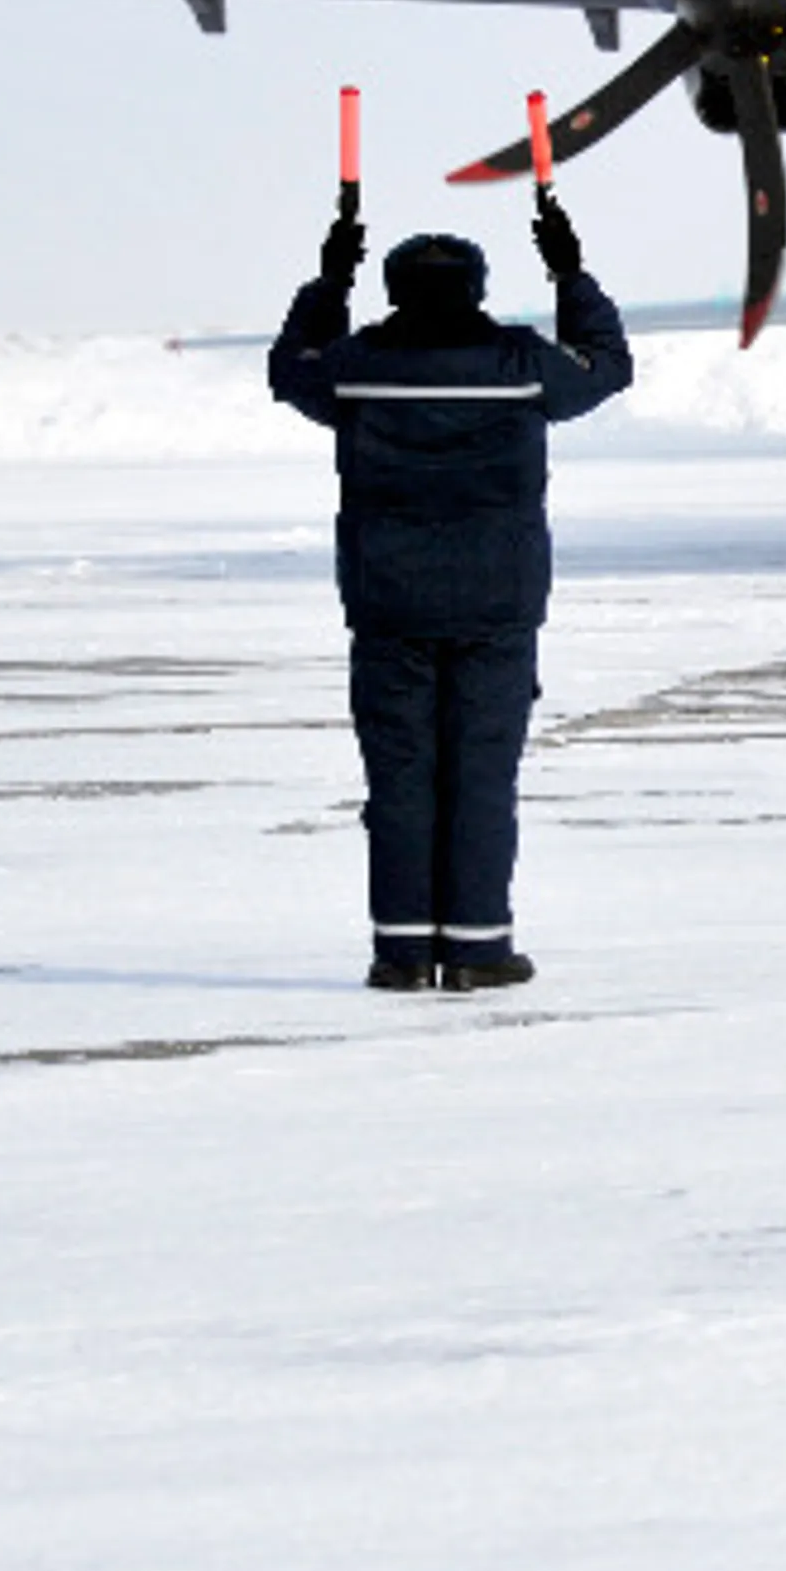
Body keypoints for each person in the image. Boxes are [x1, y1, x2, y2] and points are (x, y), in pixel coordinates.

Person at [268, 195, 632, 992]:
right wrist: (570, 274)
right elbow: (607, 366)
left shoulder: (360, 368)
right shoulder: (519, 364)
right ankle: (477, 948)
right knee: (480, 779)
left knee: (400, 780)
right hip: (495, 606)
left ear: (393, 289)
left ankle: (402, 954)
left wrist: (330, 284)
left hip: (389, 605)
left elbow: (290, 368)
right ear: (476, 287)